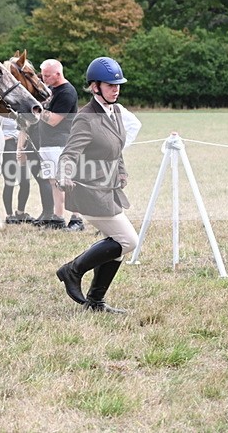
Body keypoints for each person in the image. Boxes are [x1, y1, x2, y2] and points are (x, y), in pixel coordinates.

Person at [55, 56, 139, 314]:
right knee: (128, 240)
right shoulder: (85, 117)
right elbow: (69, 153)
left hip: (109, 189)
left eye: (118, 85)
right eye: (110, 85)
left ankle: (96, 301)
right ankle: (72, 270)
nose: (116, 89)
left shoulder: (114, 111)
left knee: (115, 244)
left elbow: (117, 147)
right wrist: (64, 173)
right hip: (89, 191)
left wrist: (122, 171)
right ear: (94, 87)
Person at [37, 59, 84, 231]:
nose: (44, 79)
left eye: (47, 76)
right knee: (53, 182)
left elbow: (54, 120)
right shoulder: (50, 89)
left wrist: (36, 109)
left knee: (67, 182)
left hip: (61, 144)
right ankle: (58, 218)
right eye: (43, 75)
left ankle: (76, 219)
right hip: (47, 143)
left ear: (58, 74)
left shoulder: (67, 92)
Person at [0, 116, 34, 224]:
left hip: (22, 144)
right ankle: (9, 215)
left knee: (25, 181)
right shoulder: (1, 113)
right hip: (7, 145)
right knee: (10, 181)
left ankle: (20, 213)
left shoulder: (21, 110)